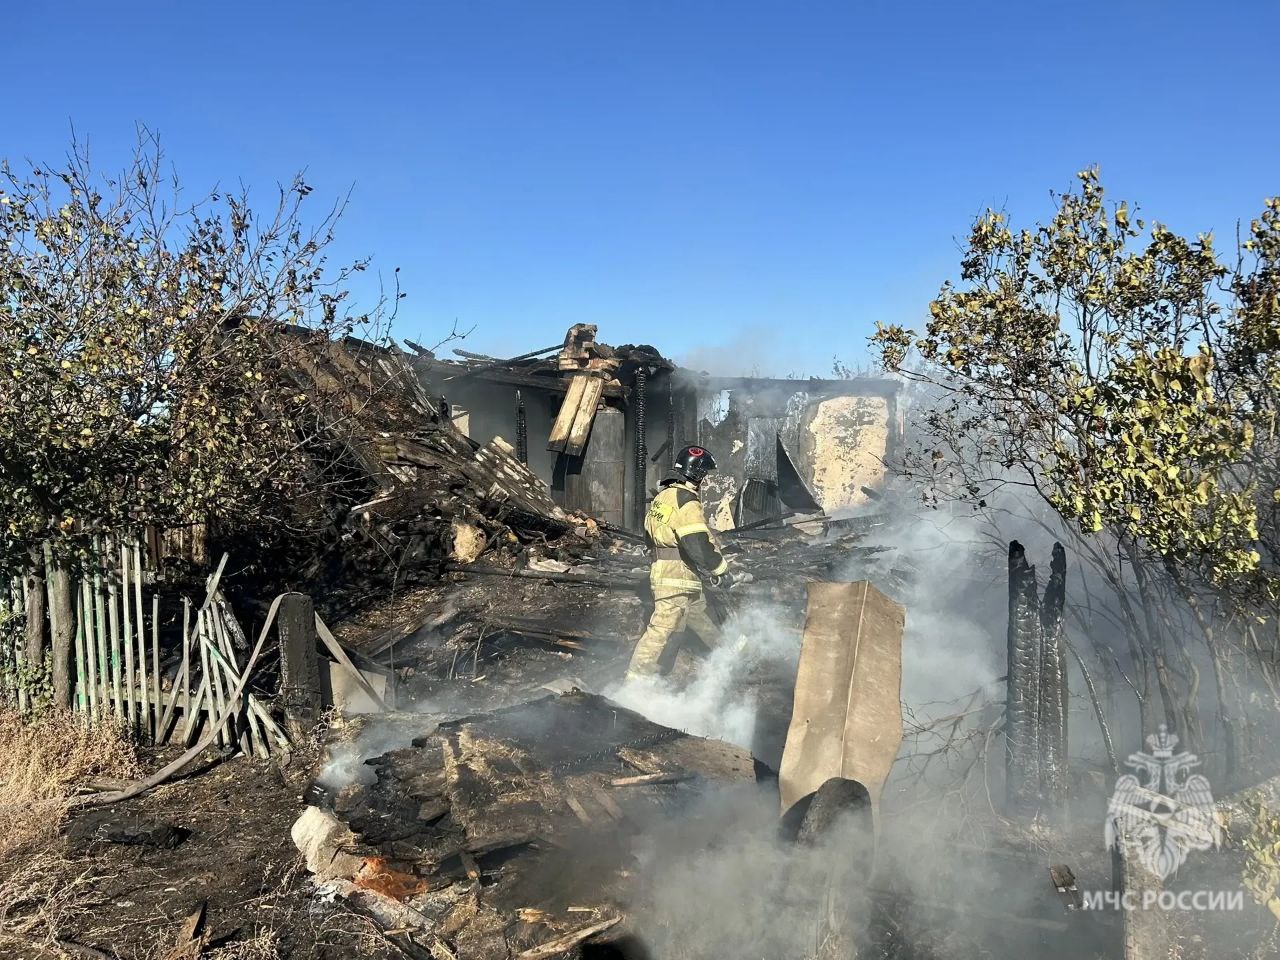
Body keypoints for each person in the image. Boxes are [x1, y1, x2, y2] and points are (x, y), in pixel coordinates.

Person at [626, 444, 733, 680]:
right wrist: (720, 568)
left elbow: (649, 536)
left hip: (676, 573)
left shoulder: (662, 498)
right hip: (675, 576)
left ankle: (730, 656)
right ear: (696, 473)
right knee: (663, 629)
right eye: (703, 474)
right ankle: (636, 684)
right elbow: (696, 542)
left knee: (703, 613)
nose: (704, 480)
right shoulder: (687, 500)